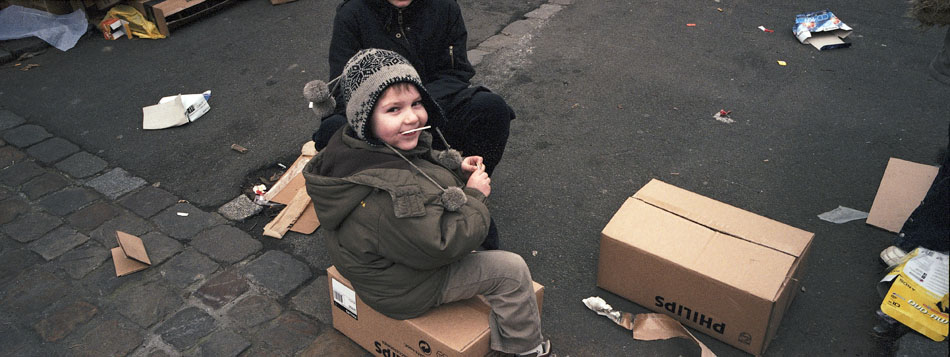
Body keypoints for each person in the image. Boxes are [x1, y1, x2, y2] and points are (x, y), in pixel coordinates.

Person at [303, 49, 550, 356]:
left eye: (417, 103)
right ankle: (527, 349)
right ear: (365, 117)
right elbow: (440, 245)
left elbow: (419, 161)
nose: (412, 117)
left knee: (476, 229)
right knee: (510, 271)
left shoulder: (361, 143)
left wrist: (454, 166)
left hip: (386, 264)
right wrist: (475, 196)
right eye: (394, 109)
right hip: (405, 288)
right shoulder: (388, 198)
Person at [311, 0, 515, 176]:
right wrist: (386, 113)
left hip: (432, 108)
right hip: (376, 119)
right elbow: (342, 87)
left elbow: (456, 72)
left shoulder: (445, 7)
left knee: (491, 108)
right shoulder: (352, 13)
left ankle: (469, 187)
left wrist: (419, 105)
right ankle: (371, 196)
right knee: (332, 130)